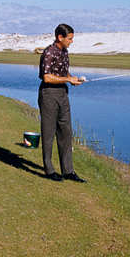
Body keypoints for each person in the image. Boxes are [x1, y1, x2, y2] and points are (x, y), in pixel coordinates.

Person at [37, 23, 86, 182]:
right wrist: (67, 79)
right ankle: (49, 170)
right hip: (49, 94)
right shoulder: (49, 52)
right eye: (70, 39)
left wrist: (72, 79)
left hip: (63, 94)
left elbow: (63, 72)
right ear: (60, 37)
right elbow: (47, 77)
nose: (72, 41)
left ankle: (68, 171)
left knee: (66, 131)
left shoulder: (65, 52)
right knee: (49, 132)